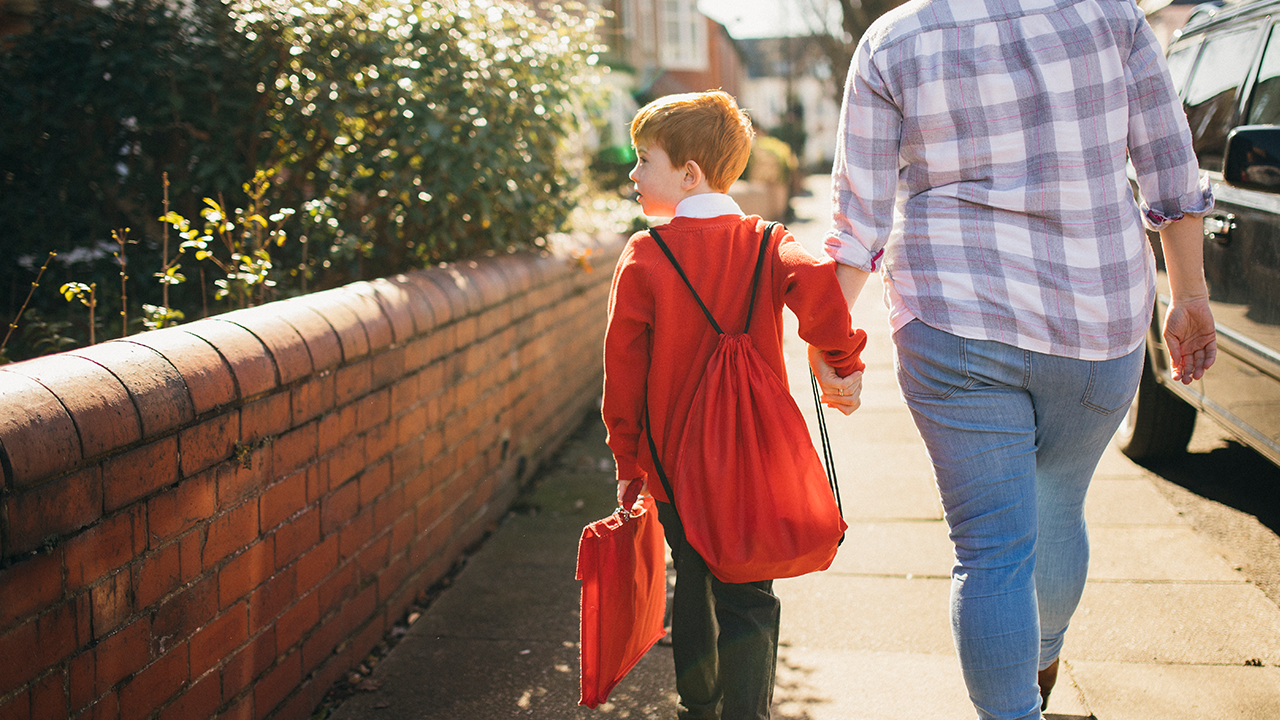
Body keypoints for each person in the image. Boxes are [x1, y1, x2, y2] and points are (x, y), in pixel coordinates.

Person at [810, 1, 1217, 719]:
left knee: (993, 547)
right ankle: (1042, 661)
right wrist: (1188, 292)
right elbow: (1167, 159)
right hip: (1098, 316)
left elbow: (858, 219)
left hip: (955, 316)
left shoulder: (892, 40)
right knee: (1058, 502)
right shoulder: (1107, 15)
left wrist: (829, 337)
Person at [601, 90, 867, 720]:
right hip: (755, 460)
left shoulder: (646, 254)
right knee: (750, 590)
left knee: (692, 580)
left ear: (689, 174)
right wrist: (844, 362)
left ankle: (699, 706)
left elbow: (623, 372)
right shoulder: (768, 241)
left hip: (674, 465)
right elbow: (821, 287)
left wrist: (627, 458)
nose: (633, 174)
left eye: (645, 160)